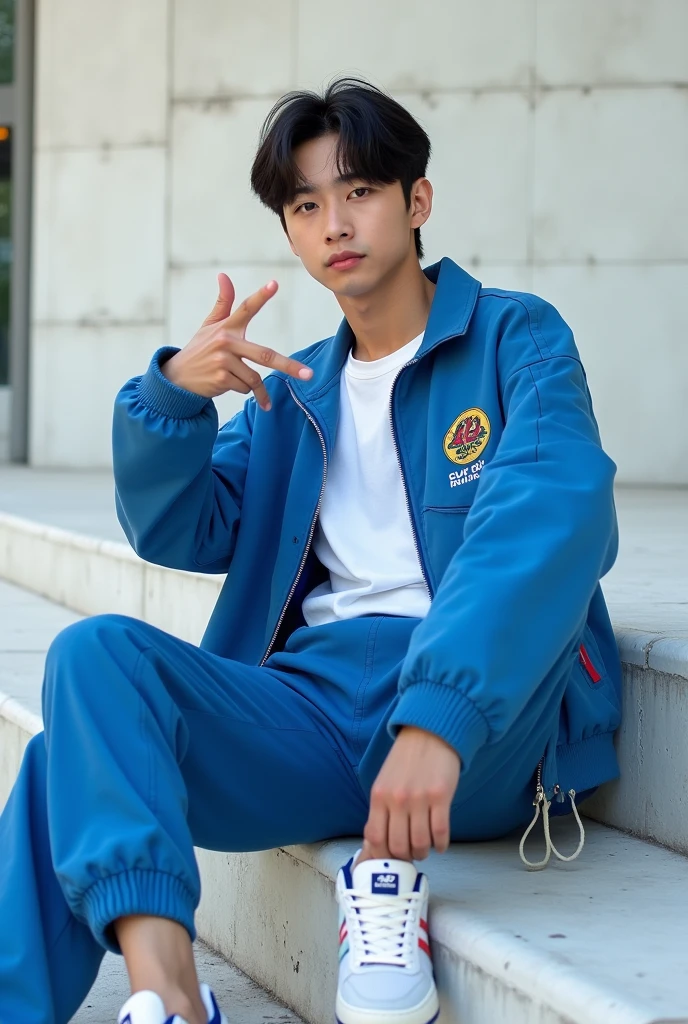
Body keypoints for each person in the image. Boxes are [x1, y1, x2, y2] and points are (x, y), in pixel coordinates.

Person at [0, 77, 622, 1024]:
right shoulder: (294, 393)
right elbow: (183, 528)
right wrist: (173, 398)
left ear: (416, 202)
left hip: (486, 715)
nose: (335, 221)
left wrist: (439, 715)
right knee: (92, 668)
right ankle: (169, 997)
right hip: (311, 710)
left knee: (74, 769)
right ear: (289, 232)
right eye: (305, 204)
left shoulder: (513, 339)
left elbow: (548, 512)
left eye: (360, 190)